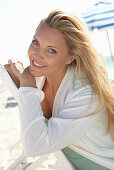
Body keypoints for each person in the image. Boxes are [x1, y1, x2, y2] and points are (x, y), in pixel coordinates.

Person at [4, 9, 114, 170]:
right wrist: (23, 81)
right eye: (36, 42)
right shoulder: (41, 79)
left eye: (51, 50)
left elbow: (33, 147)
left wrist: (27, 85)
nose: (36, 55)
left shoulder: (87, 95)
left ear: (70, 57)